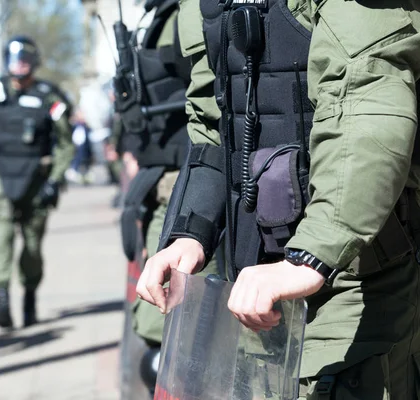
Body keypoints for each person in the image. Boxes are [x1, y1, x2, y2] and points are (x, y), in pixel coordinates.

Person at [137, 0, 420, 398]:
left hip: (352, 290)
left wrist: (310, 255)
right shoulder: (198, 6)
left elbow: (366, 98)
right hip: (253, 292)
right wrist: (190, 230)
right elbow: (215, 122)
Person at [112, 0, 220, 395]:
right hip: (162, 174)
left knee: (169, 336)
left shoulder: (184, 13)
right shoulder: (157, 15)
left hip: (190, 178)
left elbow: (211, 95)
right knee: (157, 333)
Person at [0, 36, 74, 329]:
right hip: (0, 182)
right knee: (2, 243)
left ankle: (29, 301)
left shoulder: (49, 97)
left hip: (36, 183)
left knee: (32, 248)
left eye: (25, 58)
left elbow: (65, 143)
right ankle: (2, 306)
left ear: (34, 62)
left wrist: (55, 179)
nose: (19, 64)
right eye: (14, 58)